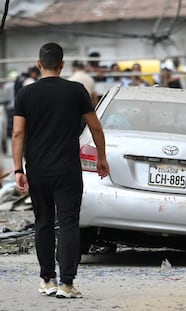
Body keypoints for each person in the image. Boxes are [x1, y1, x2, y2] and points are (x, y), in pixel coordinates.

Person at [12, 42, 110, 299]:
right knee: (68, 223)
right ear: (62, 64)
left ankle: (47, 280)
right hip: (67, 169)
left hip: (38, 170)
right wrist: (102, 158)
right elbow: (96, 127)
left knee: (43, 222)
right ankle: (66, 284)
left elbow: (18, 132)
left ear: (39, 64)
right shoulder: (76, 90)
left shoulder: (25, 94)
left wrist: (17, 169)